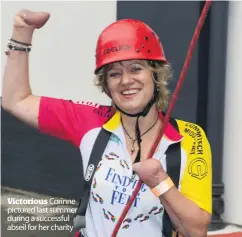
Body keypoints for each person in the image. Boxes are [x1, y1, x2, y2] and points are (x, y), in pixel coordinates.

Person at [2, 9, 212, 237]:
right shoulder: (90, 120)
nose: (126, 81)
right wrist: (22, 32)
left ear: (156, 75)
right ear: (106, 86)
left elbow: (196, 230)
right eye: (114, 73)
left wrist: (160, 181)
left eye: (136, 68)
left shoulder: (190, 137)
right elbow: (16, 100)